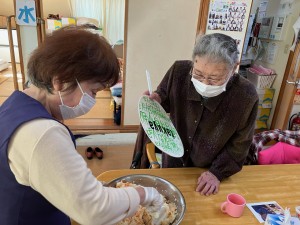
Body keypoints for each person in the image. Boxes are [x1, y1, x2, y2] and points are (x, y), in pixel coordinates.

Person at [0, 26, 163, 225]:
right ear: (60, 80)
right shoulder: (42, 134)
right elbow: (94, 211)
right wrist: (143, 193)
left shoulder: (15, 104)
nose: (93, 101)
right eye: (93, 91)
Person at [133, 33, 258, 196]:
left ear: (234, 68)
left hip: (211, 169)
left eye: (214, 78)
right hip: (174, 157)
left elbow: (240, 143)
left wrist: (217, 172)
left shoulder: (246, 96)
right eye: (198, 74)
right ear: (193, 62)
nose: (205, 83)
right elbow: (163, 97)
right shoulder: (179, 71)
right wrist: (156, 100)